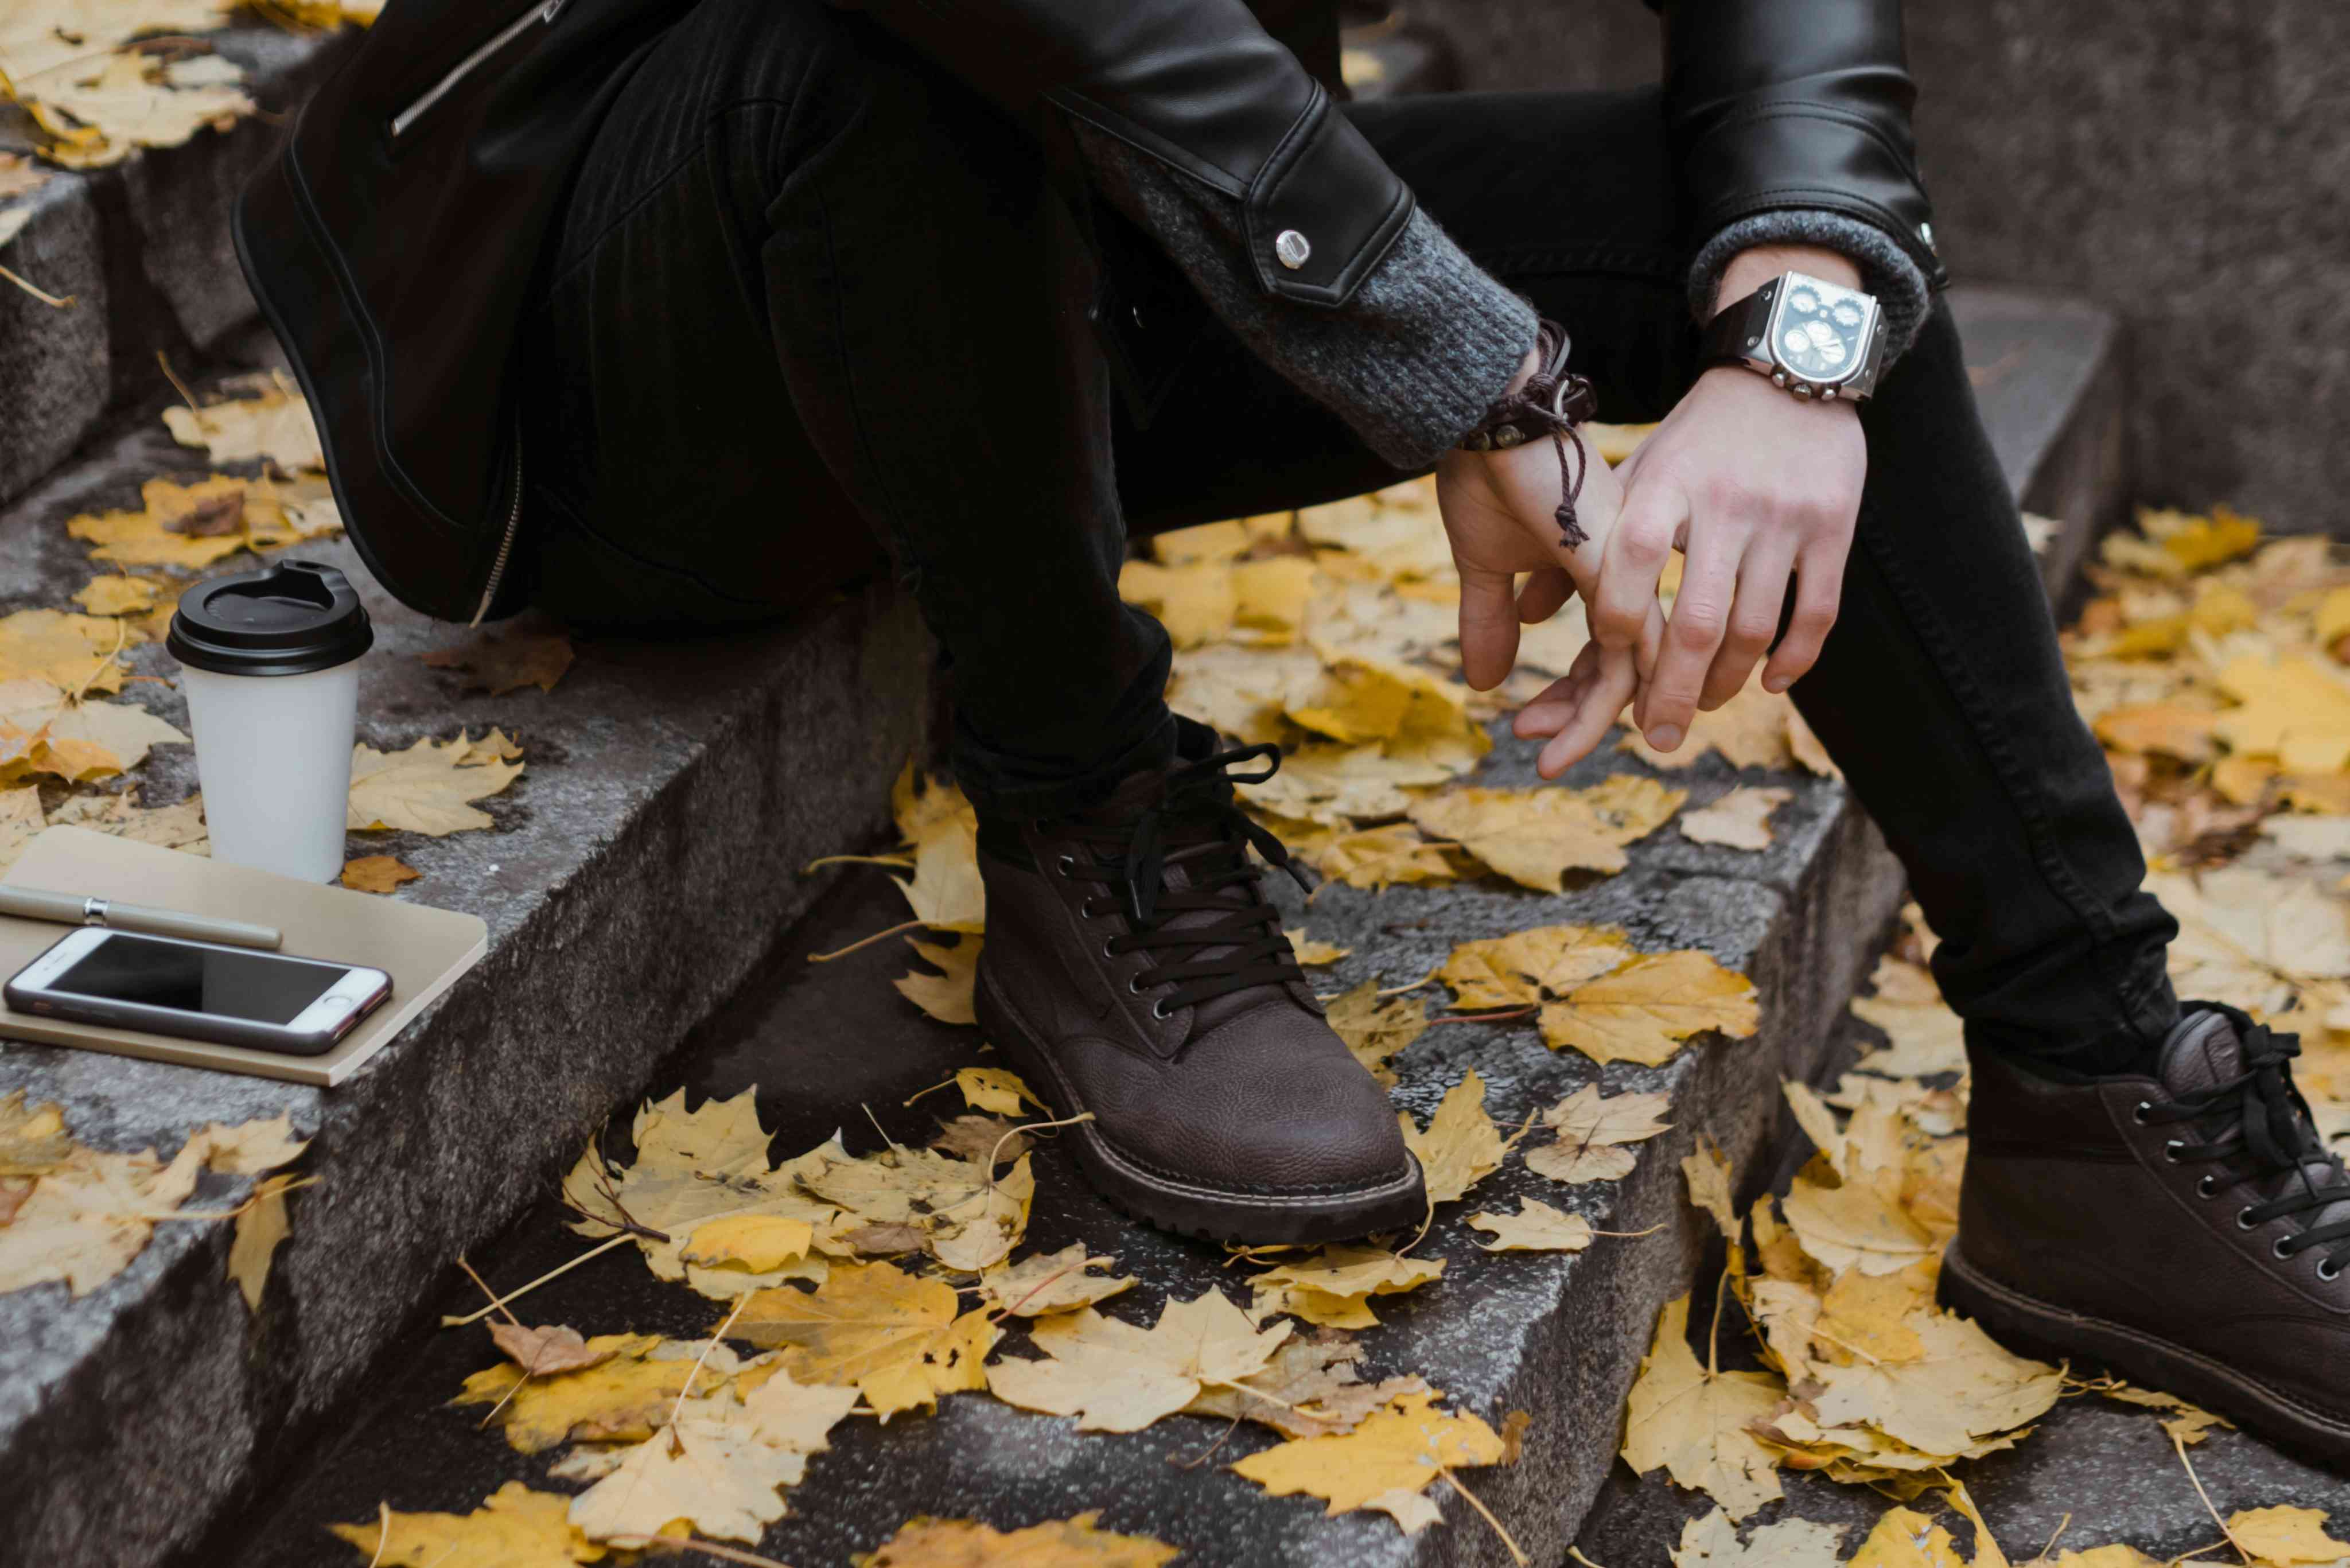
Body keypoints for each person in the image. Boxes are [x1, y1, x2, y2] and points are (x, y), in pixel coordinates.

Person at [238, 0, 2350, 1467]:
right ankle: (1084, 817)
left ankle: (2094, 1083)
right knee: (876, 54)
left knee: (1776, 258)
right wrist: (1459, 369)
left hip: (1072, 261)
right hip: (612, 357)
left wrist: (1796, 336)